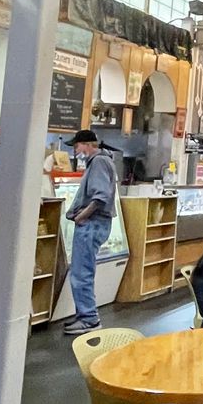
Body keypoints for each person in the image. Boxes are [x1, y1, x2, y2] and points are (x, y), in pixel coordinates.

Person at [64, 128, 118, 335]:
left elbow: (100, 196)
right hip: (96, 223)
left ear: (87, 144)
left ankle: (89, 319)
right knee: (82, 272)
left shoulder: (98, 162)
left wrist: (81, 216)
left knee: (81, 273)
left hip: (92, 223)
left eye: (77, 146)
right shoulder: (103, 161)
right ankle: (84, 314)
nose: (76, 150)